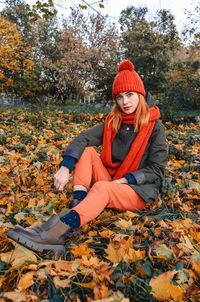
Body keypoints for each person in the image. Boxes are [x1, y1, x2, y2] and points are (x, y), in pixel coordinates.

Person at [7, 60, 168, 254]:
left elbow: (157, 169)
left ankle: (58, 232)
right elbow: (83, 138)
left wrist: (125, 181)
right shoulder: (113, 121)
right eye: (119, 97)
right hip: (113, 181)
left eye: (130, 95)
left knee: (101, 187)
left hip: (138, 190)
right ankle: (80, 208)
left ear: (140, 95)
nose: (125, 102)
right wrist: (65, 167)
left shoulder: (155, 127)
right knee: (87, 151)